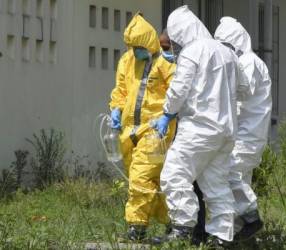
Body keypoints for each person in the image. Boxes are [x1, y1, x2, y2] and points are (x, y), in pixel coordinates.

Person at [153, 5, 241, 247]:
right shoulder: (226, 52)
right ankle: (222, 237)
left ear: (180, 32)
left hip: (199, 128)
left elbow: (179, 88)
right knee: (216, 183)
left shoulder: (193, 51)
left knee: (174, 174)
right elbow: (243, 88)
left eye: (173, 40)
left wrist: (168, 113)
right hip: (225, 131)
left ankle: (182, 229)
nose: (173, 46)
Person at [109, 13, 176, 241]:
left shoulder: (165, 63)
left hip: (156, 131)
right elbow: (120, 90)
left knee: (140, 177)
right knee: (149, 182)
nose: (135, 50)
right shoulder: (128, 60)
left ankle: (136, 228)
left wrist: (167, 118)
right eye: (131, 46)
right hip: (129, 132)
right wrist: (116, 109)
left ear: (148, 42)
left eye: (138, 46)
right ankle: (174, 223)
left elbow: (177, 94)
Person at [214, 17, 272, 240]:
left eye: (227, 46)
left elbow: (241, 93)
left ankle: (251, 217)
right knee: (239, 180)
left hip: (247, 135)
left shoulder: (249, 62)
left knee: (229, 174)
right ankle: (236, 234)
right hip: (245, 134)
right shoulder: (246, 61)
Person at [159, 28, 208, 245]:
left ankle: (192, 231)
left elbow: (179, 93)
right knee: (185, 181)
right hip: (183, 127)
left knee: (190, 181)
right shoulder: (169, 64)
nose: (164, 52)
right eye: (162, 48)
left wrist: (167, 114)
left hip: (194, 129)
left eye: (167, 47)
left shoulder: (190, 61)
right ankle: (187, 229)